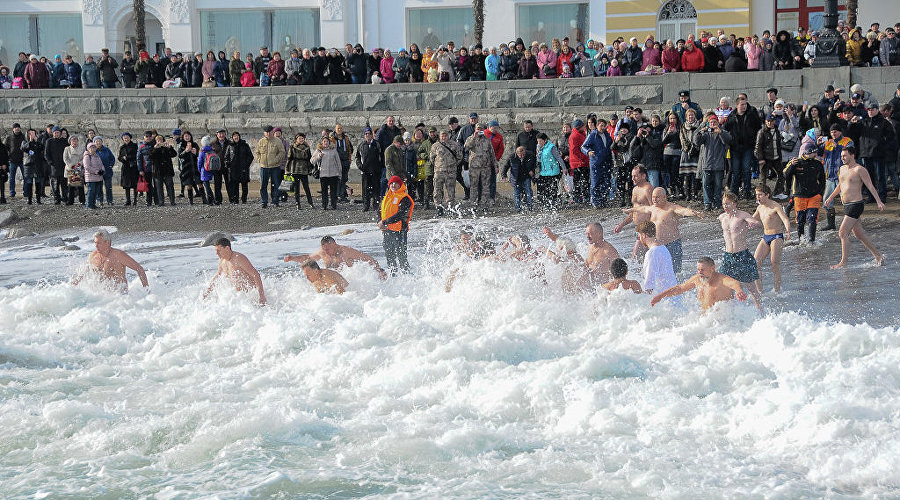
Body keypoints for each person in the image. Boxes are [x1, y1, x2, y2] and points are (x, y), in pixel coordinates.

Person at [824, 146, 885, 269]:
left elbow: (870, 186)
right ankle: (878, 256)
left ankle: (843, 262)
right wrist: (830, 197)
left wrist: (879, 201)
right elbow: (840, 186)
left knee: (842, 232)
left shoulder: (860, 170)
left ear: (852, 155)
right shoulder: (841, 168)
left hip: (856, 205)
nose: (842, 158)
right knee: (859, 233)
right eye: (841, 156)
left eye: (845, 155)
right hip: (846, 205)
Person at [618, 186, 701, 273]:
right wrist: (630, 210)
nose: (654, 199)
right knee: (657, 272)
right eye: (653, 197)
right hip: (657, 246)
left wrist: (693, 213)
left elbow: (683, 211)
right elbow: (642, 208)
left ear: (664, 197)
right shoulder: (653, 208)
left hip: (672, 245)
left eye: (657, 197)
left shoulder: (672, 208)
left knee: (674, 273)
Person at [718, 191, 764, 310]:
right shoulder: (722, 217)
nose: (725, 206)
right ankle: (733, 311)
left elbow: (757, 222)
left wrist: (753, 224)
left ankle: (761, 311)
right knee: (727, 286)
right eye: (723, 204)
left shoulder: (742, 215)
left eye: (728, 204)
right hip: (728, 256)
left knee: (751, 287)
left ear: (735, 203)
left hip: (742, 255)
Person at [651, 257, 749, 312]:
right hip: (706, 321)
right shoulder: (697, 279)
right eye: (698, 270)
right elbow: (680, 288)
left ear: (712, 268)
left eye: (702, 270)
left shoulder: (721, 279)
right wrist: (661, 296)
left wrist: (739, 291)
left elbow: (734, 283)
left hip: (724, 321)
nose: (699, 272)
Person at [73, 229, 149, 292]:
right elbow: (83, 272)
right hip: (102, 298)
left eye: (99, 243)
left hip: (120, 297)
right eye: (95, 243)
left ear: (107, 242)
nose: (96, 245)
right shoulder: (93, 256)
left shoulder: (118, 255)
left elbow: (139, 269)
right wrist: (72, 287)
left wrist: (147, 291)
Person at [285, 235, 387, 279]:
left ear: (334, 244)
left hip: (347, 281)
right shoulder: (323, 252)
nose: (326, 252)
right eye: (324, 249)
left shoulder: (346, 251)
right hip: (331, 280)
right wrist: (292, 258)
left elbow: (368, 259)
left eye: (328, 249)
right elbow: (307, 258)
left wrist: (379, 270)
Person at [751, 184, 791, 293]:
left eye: (760, 195)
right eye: (756, 195)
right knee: (756, 263)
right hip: (765, 237)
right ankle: (760, 292)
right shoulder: (759, 207)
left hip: (776, 237)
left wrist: (788, 231)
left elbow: (785, 219)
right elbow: (751, 219)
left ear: (767, 195)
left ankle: (777, 291)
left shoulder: (775, 206)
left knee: (774, 264)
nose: (758, 197)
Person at [783, 143, 826, 243]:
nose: (816, 154)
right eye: (814, 152)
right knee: (800, 220)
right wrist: (792, 166)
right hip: (799, 195)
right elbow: (785, 175)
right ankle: (801, 240)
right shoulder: (795, 162)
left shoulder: (818, 164)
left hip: (814, 196)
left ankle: (811, 241)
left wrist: (820, 194)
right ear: (808, 152)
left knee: (812, 218)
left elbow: (823, 180)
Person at [203, 238, 266, 305]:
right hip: (237, 298)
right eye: (216, 251)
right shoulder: (222, 261)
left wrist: (261, 296)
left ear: (227, 248)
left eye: (219, 251)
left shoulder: (238, 258)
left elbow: (256, 275)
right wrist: (207, 292)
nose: (216, 253)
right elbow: (218, 276)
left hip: (251, 297)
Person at [379, 175, 414, 275]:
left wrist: (385, 222)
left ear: (400, 185)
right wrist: (379, 221)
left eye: (396, 183)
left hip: (399, 231)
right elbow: (380, 211)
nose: (393, 185)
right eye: (392, 183)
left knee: (401, 255)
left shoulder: (404, 198)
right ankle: (392, 274)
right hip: (387, 230)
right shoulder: (387, 196)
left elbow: (400, 214)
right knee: (389, 254)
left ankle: (407, 276)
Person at [635, 221, 677, 299]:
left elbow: (649, 284)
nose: (640, 239)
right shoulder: (663, 248)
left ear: (644, 235)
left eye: (639, 236)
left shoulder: (651, 253)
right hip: (673, 296)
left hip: (664, 300)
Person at [254, 125, 285, 208]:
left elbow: (282, 152)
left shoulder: (277, 141)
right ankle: (264, 201)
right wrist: (259, 159)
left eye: (269, 132)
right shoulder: (261, 141)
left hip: (275, 166)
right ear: (264, 133)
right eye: (266, 132)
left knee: (276, 184)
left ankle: (275, 201)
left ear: (272, 132)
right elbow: (257, 152)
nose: (268, 134)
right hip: (264, 167)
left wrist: (276, 159)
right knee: (263, 185)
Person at [311, 136, 342, 210]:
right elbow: (312, 161)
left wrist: (339, 173)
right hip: (323, 174)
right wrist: (318, 156)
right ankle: (324, 205)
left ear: (329, 142)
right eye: (324, 141)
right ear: (322, 143)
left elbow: (338, 162)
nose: (325, 143)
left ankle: (333, 205)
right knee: (324, 191)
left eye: (327, 141)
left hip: (333, 174)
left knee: (333, 192)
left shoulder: (333, 150)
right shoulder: (319, 150)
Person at [501, 146, 535, 212]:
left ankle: (530, 208)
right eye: (520, 155)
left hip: (526, 177)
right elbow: (505, 167)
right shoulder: (512, 157)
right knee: (517, 194)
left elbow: (534, 164)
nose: (522, 156)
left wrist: (532, 170)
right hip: (516, 178)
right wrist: (504, 176)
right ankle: (518, 209)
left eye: (523, 154)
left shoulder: (530, 155)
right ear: (517, 153)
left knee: (529, 192)